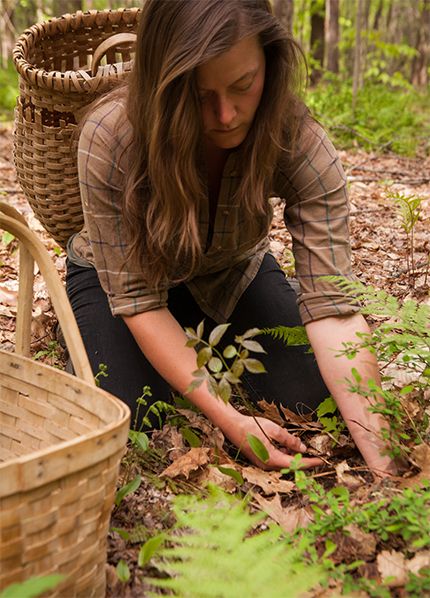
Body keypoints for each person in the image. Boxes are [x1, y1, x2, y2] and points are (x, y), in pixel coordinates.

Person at [66, 0, 396, 477]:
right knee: (142, 417)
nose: (225, 115)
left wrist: (386, 460)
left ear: (270, 61)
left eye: (243, 85)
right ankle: (87, 324)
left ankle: (200, 340)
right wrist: (231, 419)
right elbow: (139, 300)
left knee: (311, 396)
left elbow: (334, 309)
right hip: (119, 285)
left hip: (230, 274)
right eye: (200, 95)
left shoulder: (298, 140)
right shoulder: (112, 135)